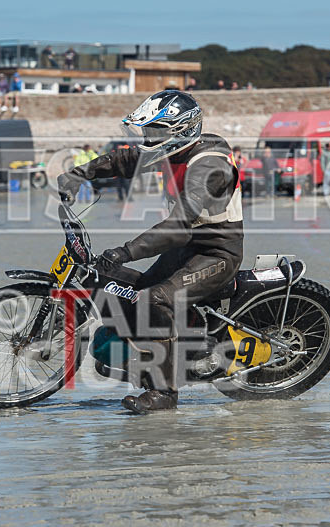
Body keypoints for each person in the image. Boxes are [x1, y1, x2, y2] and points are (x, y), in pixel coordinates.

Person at [57, 90, 243, 413]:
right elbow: (126, 160)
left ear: (179, 132)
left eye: (154, 132)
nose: (148, 139)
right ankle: (146, 354)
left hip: (216, 253)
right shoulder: (172, 151)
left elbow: (178, 227)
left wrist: (125, 252)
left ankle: (165, 393)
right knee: (128, 291)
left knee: (154, 299)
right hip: (186, 248)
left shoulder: (208, 166)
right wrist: (80, 174)